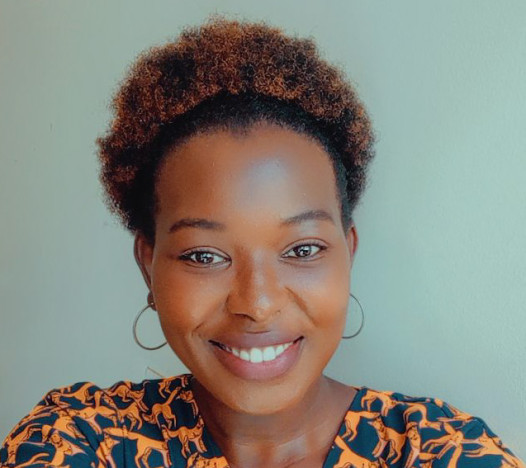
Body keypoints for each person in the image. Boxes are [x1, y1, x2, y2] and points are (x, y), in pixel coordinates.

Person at [1, 17, 523, 468]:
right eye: (205, 255)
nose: (257, 302)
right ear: (148, 264)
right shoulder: (80, 441)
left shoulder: (439, 450)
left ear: (348, 252)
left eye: (302, 250)